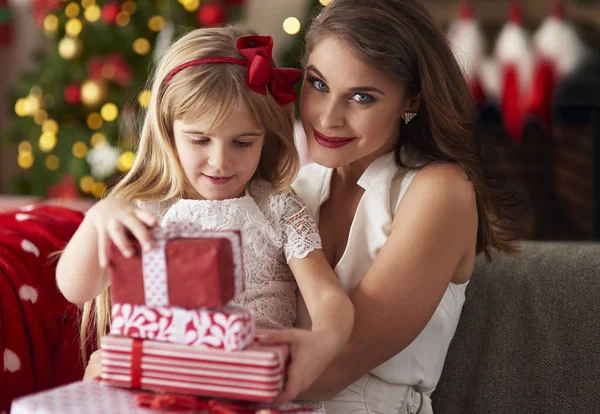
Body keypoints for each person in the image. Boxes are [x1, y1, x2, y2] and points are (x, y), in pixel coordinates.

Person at [55, 25, 354, 403]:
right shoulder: (142, 210)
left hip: (244, 391)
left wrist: (323, 342)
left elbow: (329, 299)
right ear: (168, 130)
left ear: (267, 136)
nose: (220, 161)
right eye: (199, 140)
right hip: (154, 390)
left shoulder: (277, 207)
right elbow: (75, 288)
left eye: (243, 142)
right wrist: (98, 218)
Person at [259, 0, 520, 412]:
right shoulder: (291, 189)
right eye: (318, 84)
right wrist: (116, 211)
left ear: (411, 102)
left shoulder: (440, 191)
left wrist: (182, 374)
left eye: (362, 97)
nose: (327, 118)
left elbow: (330, 372)